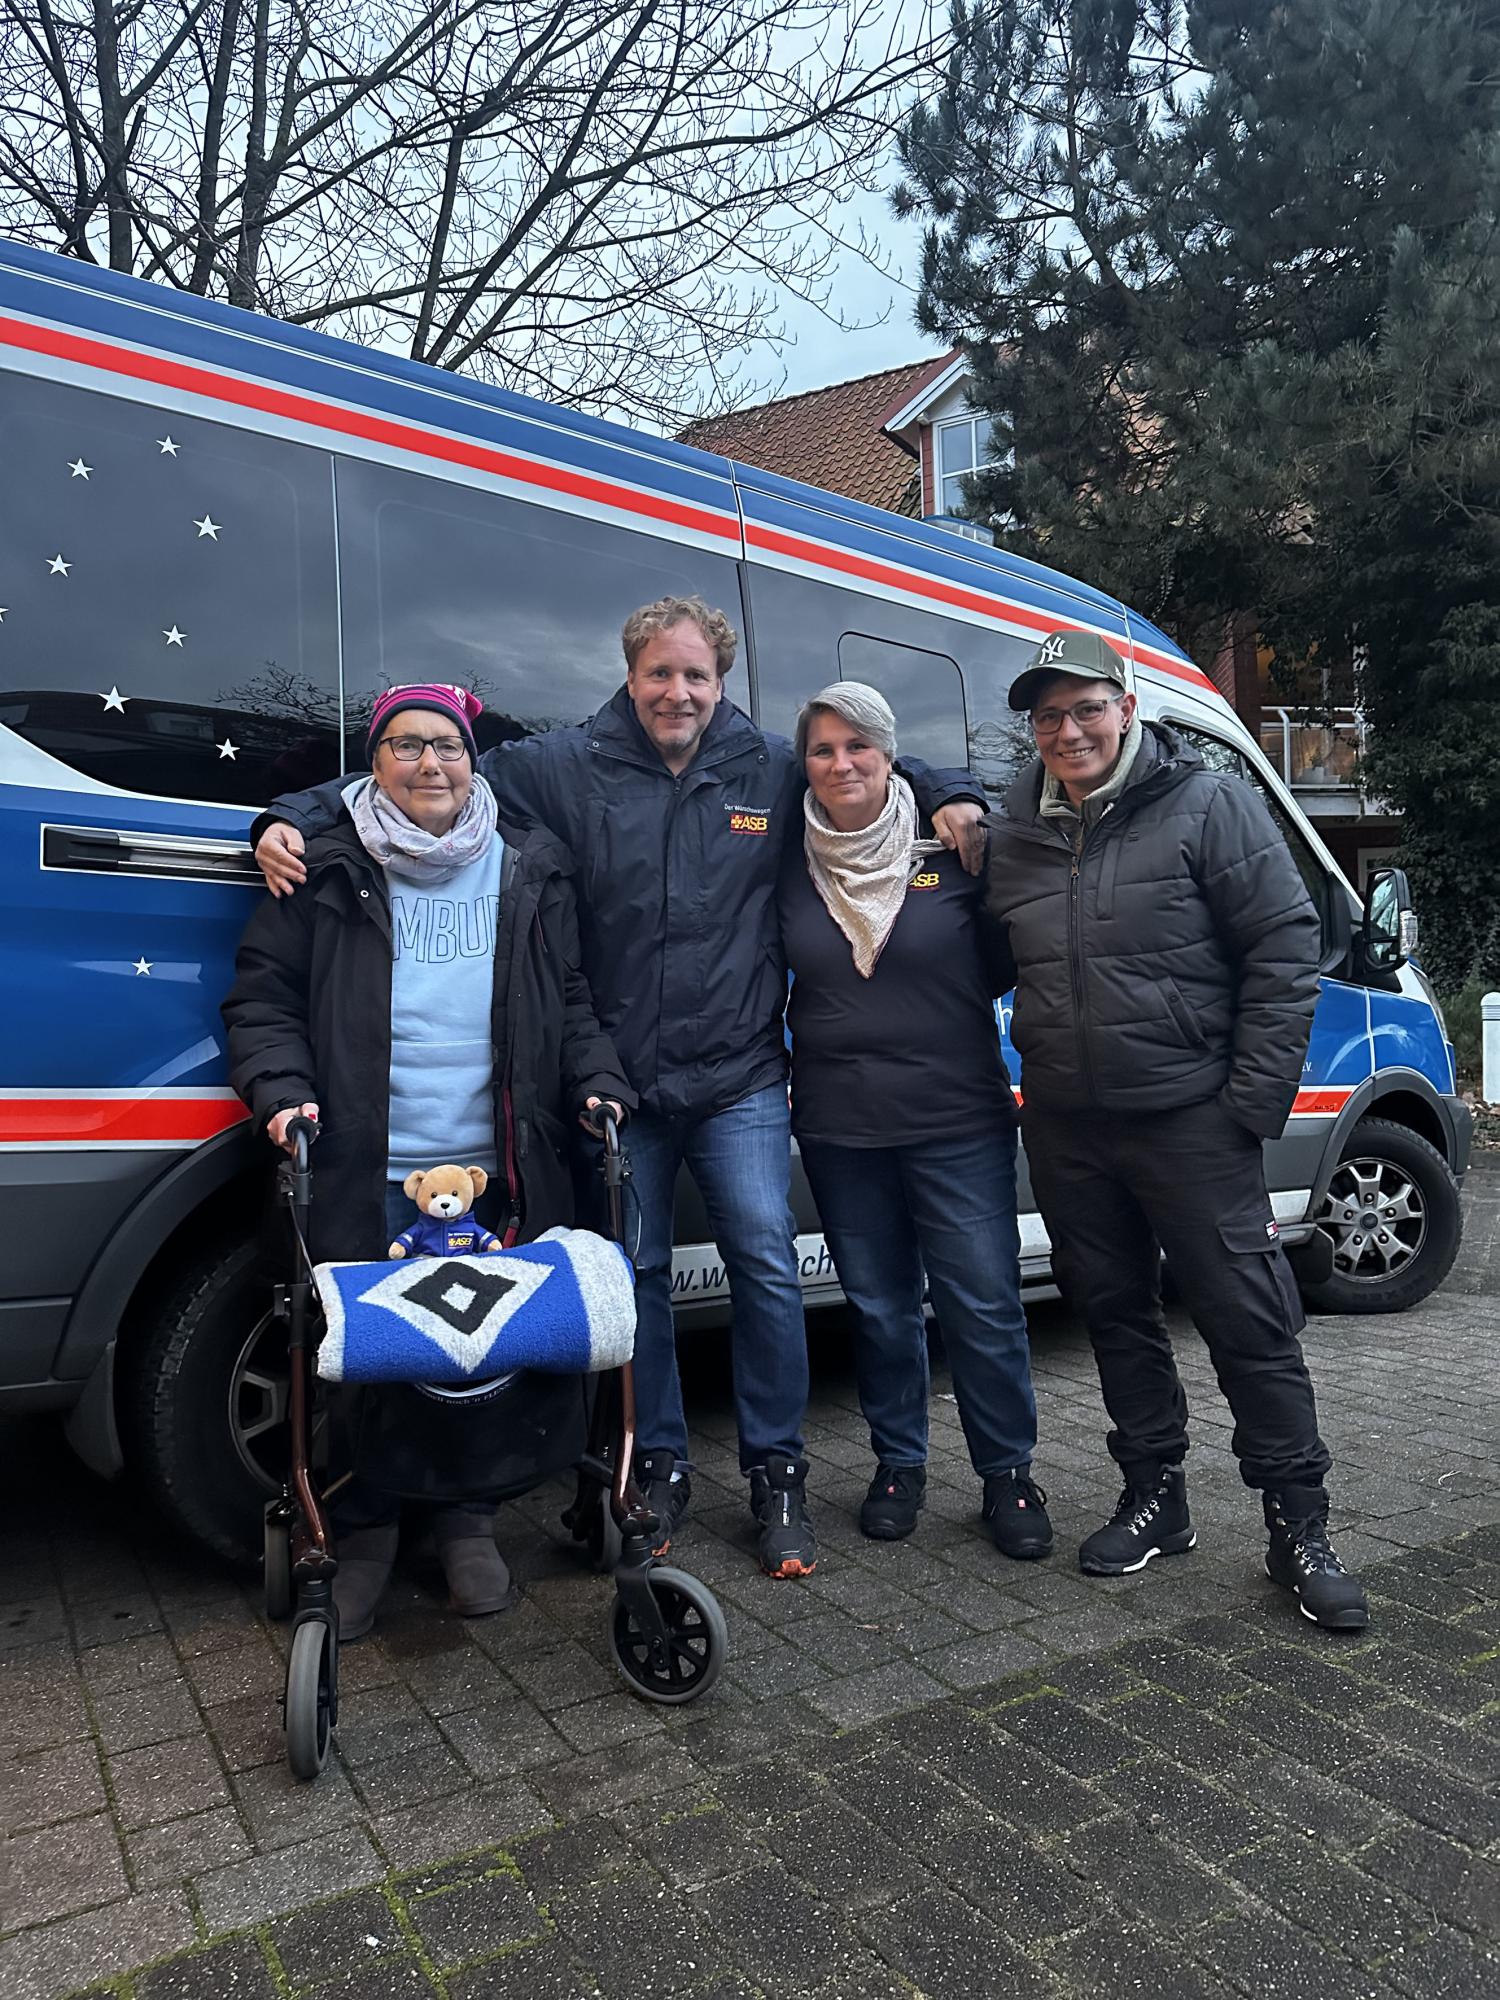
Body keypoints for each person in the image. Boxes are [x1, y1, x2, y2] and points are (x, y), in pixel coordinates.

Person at [249, 601, 983, 1579]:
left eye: (695, 676)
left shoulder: (767, 764)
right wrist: (291, 814)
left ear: (721, 682)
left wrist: (950, 788)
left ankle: (777, 1470)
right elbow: (428, 765)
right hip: (622, 1084)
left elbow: (861, 760)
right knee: (637, 1278)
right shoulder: (563, 762)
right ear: (630, 676)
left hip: (738, 1076)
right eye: (658, 674)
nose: (677, 692)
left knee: (765, 1263)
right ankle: (659, 1462)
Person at [223, 683, 633, 1639]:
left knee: (479, 1346)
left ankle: (465, 1521)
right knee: (368, 1350)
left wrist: (598, 1080)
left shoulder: (530, 863)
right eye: (405, 745)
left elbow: (570, 996)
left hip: (495, 1165)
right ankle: (364, 1528)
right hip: (368, 1158)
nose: (429, 763)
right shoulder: (325, 864)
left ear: (471, 759)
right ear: (373, 763)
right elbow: (264, 999)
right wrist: (281, 1093)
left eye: (446, 745)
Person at [983, 629, 1368, 1630]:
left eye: (1086, 708)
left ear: (1127, 705)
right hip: (1068, 1127)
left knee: (1248, 1322)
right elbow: (986, 957)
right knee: (1114, 1315)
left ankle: (1299, 1527)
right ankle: (1156, 1497)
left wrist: (1249, 1105)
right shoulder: (1014, 834)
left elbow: (1284, 947)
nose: (1069, 730)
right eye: (1049, 715)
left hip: (1193, 1119)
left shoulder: (1208, 803)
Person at [780, 683, 1050, 1558]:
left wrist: (949, 790)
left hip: (957, 1118)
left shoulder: (958, 846)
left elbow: (1005, 965)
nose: (842, 764)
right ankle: (899, 1465)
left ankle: (1007, 1473)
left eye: (859, 746)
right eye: (823, 750)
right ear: (803, 764)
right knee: (880, 1309)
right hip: (840, 1127)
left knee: (983, 1304)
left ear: (890, 754)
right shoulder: (786, 852)